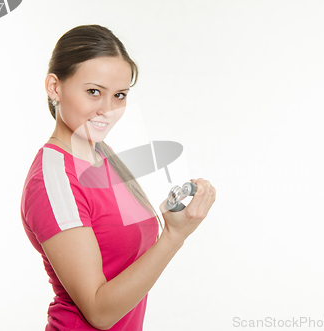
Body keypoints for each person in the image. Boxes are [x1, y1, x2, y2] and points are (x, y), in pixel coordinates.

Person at [20, 24, 216, 331]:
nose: (108, 110)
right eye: (93, 92)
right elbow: (99, 312)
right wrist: (174, 236)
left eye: (120, 95)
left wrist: (171, 218)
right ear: (54, 87)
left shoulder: (101, 152)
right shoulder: (54, 180)